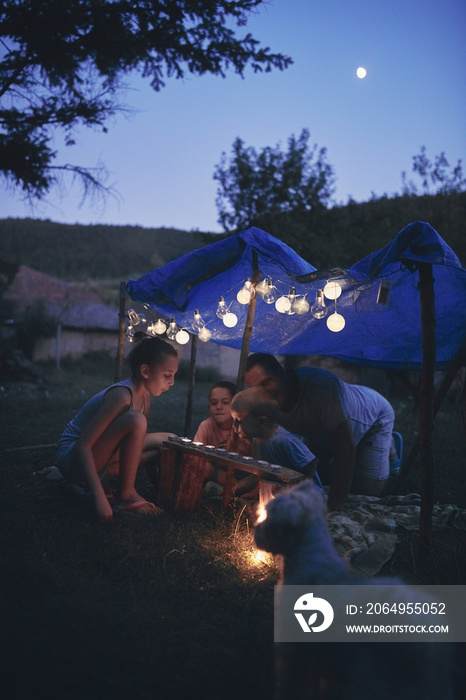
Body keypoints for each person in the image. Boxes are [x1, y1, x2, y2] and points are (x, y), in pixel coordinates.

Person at [244, 353, 395, 511]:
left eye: (266, 383)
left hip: (373, 415)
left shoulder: (321, 387)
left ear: (280, 371)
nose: (264, 393)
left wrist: (332, 507)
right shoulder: (263, 402)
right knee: (317, 477)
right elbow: (271, 447)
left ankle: (389, 449)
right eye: (256, 390)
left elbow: (345, 446)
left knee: (366, 492)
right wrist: (261, 486)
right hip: (320, 429)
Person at [56, 336, 179, 522]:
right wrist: (99, 499)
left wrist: (157, 491)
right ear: (145, 371)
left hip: (98, 459)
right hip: (73, 459)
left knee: (169, 439)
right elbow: (83, 445)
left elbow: (133, 447)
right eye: (167, 375)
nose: (172, 382)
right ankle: (125, 496)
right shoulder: (121, 396)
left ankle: (124, 490)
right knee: (137, 420)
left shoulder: (145, 399)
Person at [229, 387, 323, 497]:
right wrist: (230, 493)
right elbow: (259, 472)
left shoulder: (283, 441)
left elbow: (311, 465)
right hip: (277, 490)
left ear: (262, 422)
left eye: (239, 421)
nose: (233, 426)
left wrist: (300, 495)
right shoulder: (257, 440)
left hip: (305, 497)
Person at [192, 381, 252, 487]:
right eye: (214, 403)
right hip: (215, 475)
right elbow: (195, 458)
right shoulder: (206, 426)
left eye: (225, 402)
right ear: (208, 407)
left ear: (236, 405)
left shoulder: (244, 429)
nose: (219, 407)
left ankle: (234, 489)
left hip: (243, 477)